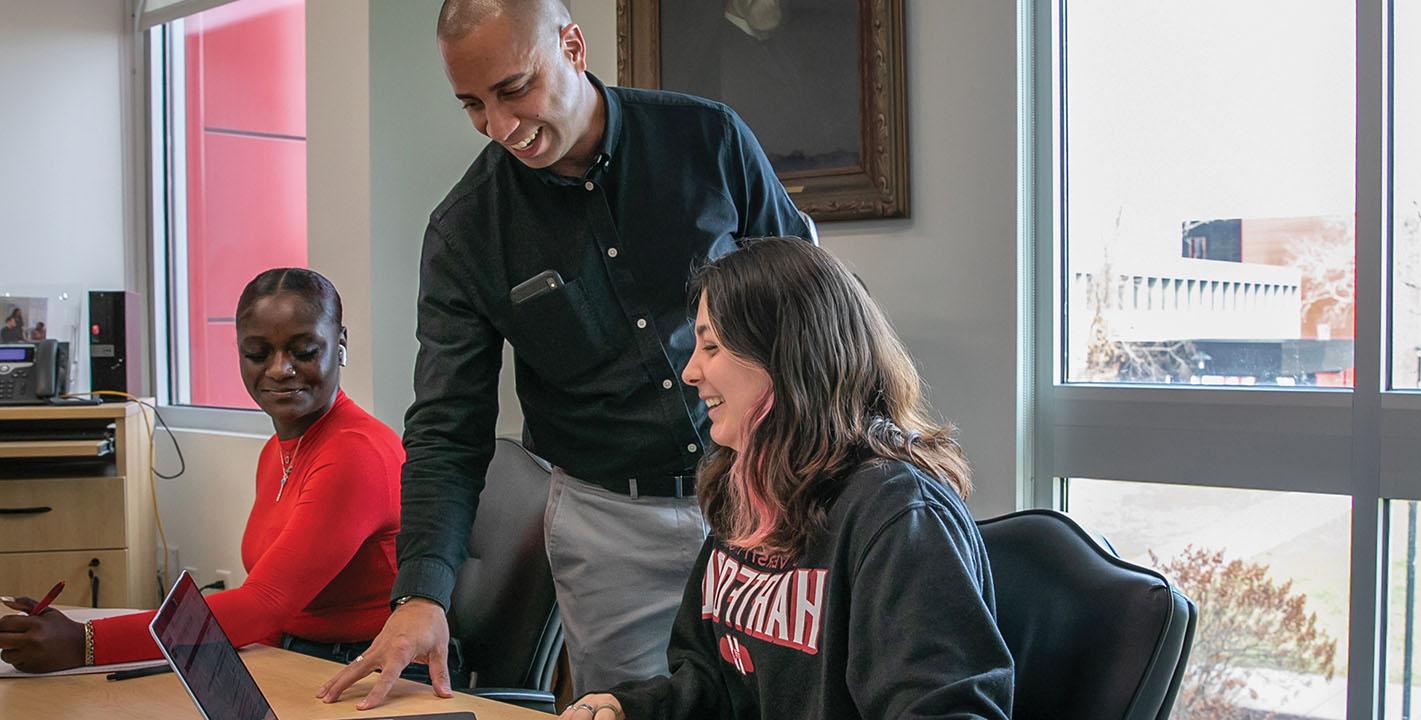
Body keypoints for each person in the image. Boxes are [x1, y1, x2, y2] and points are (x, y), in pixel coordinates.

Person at [318, 0, 812, 710]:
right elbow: (445, 428)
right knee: (625, 709)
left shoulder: (707, 138)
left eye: (515, 88)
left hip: (760, 493)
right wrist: (422, 593)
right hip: (610, 528)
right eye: (472, 105)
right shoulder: (466, 232)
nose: (500, 126)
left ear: (573, 46)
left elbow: (811, 309)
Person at [557, 237, 1014, 720]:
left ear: (783, 357)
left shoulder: (899, 514)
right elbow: (715, 682)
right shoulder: (749, 488)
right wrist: (630, 709)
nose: (689, 371)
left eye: (711, 345)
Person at [0, 268, 406, 674]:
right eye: (258, 354)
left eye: (304, 351)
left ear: (340, 345)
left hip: (366, 670)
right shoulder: (279, 450)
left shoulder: (357, 452)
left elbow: (261, 605)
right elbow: (266, 617)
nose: (280, 369)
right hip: (295, 655)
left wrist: (83, 642)